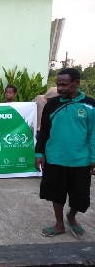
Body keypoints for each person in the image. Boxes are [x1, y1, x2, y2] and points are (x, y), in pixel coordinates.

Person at [35, 68, 95, 238]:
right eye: (58, 85)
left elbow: (93, 134)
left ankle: (72, 216)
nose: (60, 88)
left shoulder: (90, 105)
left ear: (76, 84)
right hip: (55, 158)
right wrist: (39, 153)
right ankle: (59, 224)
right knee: (56, 193)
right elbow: (44, 131)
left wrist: (94, 157)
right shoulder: (52, 105)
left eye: (64, 84)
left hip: (80, 160)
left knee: (80, 197)